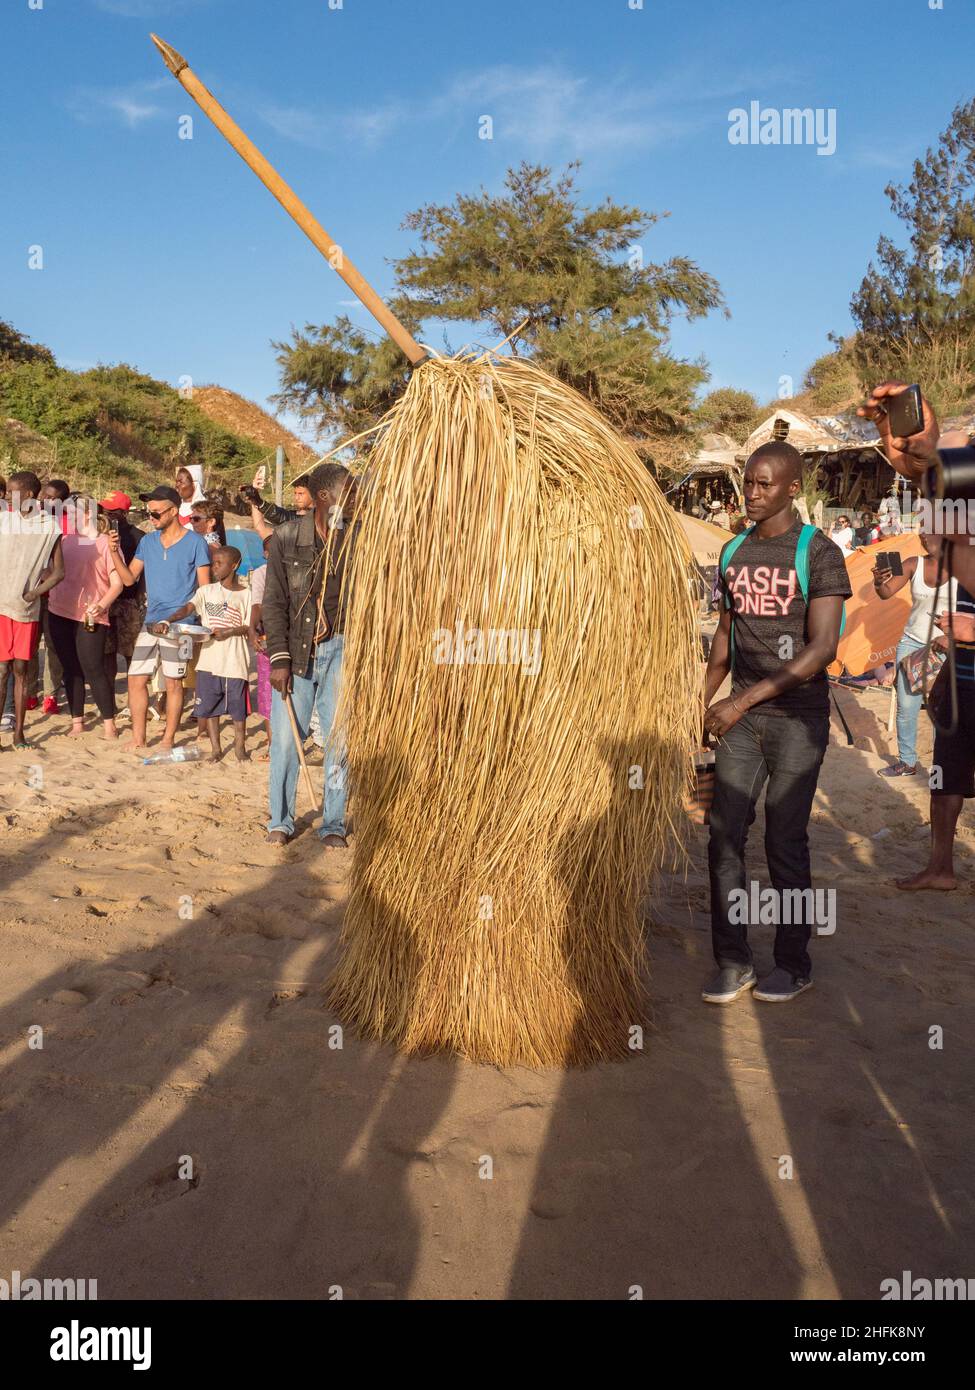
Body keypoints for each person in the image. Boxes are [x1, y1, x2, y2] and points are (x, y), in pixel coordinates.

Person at [701, 441, 851, 1004]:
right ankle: (733, 961)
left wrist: (741, 702)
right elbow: (725, 633)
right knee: (723, 836)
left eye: (765, 484)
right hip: (741, 717)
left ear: (792, 488)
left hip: (796, 719)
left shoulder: (819, 552)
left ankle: (792, 963)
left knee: (785, 839)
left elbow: (823, 649)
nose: (753, 493)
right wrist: (703, 702)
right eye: (748, 483)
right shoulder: (733, 551)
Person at [858, 383, 975, 892]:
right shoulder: (959, 496)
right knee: (945, 770)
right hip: (961, 673)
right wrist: (921, 458)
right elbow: (943, 489)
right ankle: (941, 867)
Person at [262, 462, 356, 847]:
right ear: (324, 498)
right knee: (286, 739)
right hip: (297, 652)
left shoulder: (358, 540)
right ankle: (280, 820)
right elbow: (274, 602)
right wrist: (279, 658)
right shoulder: (286, 537)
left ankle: (333, 822)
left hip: (342, 647)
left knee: (340, 740)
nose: (355, 502)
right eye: (348, 493)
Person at [111, 485, 211, 752]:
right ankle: (138, 738)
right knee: (136, 678)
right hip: (151, 621)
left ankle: (168, 739)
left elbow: (204, 589)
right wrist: (113, 552)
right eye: (149, 513)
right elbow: (129, 579)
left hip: (180, 624)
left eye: (155, 513)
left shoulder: (196, 543)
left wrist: (197, 622)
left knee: (173, 682)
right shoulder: (147, 542)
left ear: (174, 511)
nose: (151, 518)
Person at [872, 534, 957, 778]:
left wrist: (951, 637)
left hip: (948, 646)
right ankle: (907, 762)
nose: (924, 537)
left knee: (942, 708)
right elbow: (886, 593)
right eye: (922, 532)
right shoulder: (912, 563)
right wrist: (878, 582)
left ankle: (941, 764)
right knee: (906, 707)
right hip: (912, 643)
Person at [46, 498, 128, 739]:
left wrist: (100, 605)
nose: (67, 517)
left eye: (71, 513)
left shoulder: (106, 543)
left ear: (87, 514)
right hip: (58, 610)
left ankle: (109, 724)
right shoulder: (63, 541)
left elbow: (118, 584)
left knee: (94, 668)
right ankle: (77, 721)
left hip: (90, 615)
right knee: (70, 669)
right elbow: (51, 573)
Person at [0, 471, 65, 749]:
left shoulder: (49, 527)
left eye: (13, 493)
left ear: (28, 495)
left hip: (26, 609)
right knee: (1, 669)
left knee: (21, 669)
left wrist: (34, 593)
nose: (8, 498)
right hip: (2, 605)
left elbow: (59, 572)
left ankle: (19, 734)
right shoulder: (4, 519)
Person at [182, 545, 253, 762]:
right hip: (209, 659)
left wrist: (230, 631)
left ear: (234, 566)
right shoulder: (206, 592)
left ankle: (240, 747)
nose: (214, 568)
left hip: (235, 660)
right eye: (213, 563)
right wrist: (169, 620)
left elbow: (249, 625)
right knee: (211, 709)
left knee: (238, 710)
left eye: (219, 563)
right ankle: (216, 748)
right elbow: (188, 608)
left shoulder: (246, 594)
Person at [248, 535, 273, 758]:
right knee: (267, 692)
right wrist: (252, 627)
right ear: (264, 554)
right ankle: (273, 744)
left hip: (294, 637)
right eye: (269, 550)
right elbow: (257, 603)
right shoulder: (262, 574)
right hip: (269, 635)